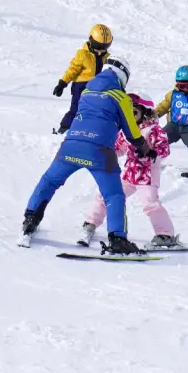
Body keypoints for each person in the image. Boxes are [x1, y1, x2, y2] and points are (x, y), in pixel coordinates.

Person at [21, 59, 151, 255]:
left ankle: (30, 220)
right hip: (99, 152)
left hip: (70, 147)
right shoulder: (120, 97)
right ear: (123, 76)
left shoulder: (86, 92)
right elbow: (131, 131)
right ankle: (117, 239)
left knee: (49, 181)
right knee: (113, 195)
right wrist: (143, 147)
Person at [79, 94, 186, 249]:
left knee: (150, 204)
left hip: (147, 176)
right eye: (127, 113)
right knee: (107, 194)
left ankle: (165, 235)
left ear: (146, 112)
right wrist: (104, 150)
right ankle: (91, 222)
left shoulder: (154, 130)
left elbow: (164, 149)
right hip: (129, 175)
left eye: (134, 112)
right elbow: (119, 148)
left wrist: (153, 152)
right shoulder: (127, 130)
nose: (131, 116)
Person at [54, 24, 114, 133]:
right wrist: (62, 83)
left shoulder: (107, 57)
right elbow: (73, 69)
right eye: (98, 46)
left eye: (104, 47)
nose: (100, 50)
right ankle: (64, 129)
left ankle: (89, 131)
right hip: (81, 87)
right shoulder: (82, 54)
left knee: (96, 111)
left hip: (98, 89)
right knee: (76, 109)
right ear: (91, 40)